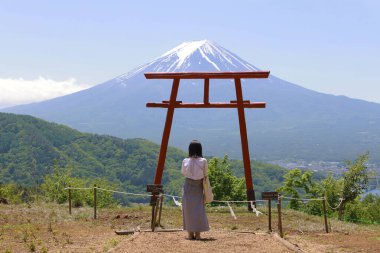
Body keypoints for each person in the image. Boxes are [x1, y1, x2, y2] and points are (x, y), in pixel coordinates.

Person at [181, 140, 210, 240]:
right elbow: (206, 174)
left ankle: (190, 234)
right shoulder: (203, 161)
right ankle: (198, 234)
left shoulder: (185, 161)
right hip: (199, 186)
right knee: (199, 210)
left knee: (187, 210)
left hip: (188, 186)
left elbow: (183, 173)